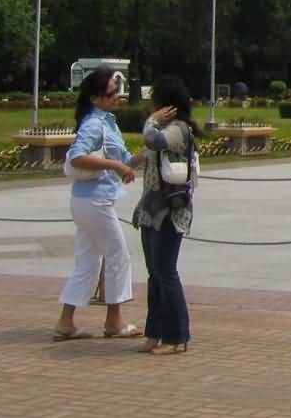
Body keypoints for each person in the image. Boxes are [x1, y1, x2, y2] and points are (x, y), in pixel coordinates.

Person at [54, 68, 139, 342]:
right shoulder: (93, 124)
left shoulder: (108, 123)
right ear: (95, 98)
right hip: (94, 200)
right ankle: (114, 321)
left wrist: (155, 146)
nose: (117, 96)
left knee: (88, 261)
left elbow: (127, 159)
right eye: (111, 93)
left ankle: (66, 322)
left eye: (117, 91)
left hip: (88, 200)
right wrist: (114, 165)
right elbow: (78, 157)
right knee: (118, 256)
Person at [132, 76, 202, 355]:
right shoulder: (167, 128)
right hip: (151, 210)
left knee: (165, 272)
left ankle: (177, 336)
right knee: (154, 274)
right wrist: (119, 166)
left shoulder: (177, 129)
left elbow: (153, 140)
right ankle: (155, 333)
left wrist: (151, 120)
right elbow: (145, 154)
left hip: (170, 210)